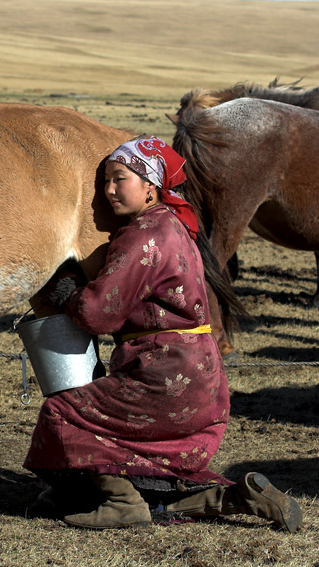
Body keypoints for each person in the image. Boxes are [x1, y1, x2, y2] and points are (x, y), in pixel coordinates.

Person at [23, 136, 303, 532]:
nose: (108, 190)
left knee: (64, 413)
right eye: (105, 181)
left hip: (163, 375)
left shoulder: (145, 234)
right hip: (201, 379)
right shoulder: (174, 224)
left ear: (151, 185)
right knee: (146, 462)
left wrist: (68, 291)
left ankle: (121, 502)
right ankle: (232, 498)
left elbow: (99, 313)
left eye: (120, 179)